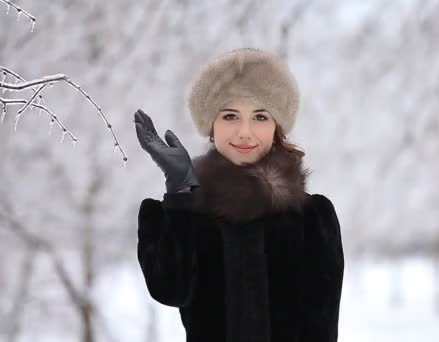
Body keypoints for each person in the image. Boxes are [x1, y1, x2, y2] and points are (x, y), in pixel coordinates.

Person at [133, 48, 344, 342]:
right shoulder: (186, 216)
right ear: (212, 125)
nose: (245, 132)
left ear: (276, 127)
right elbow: (170, 290)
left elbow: (322, 329)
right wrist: (181, 187)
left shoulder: (313, 218)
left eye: (260, 116)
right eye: (230, 115)